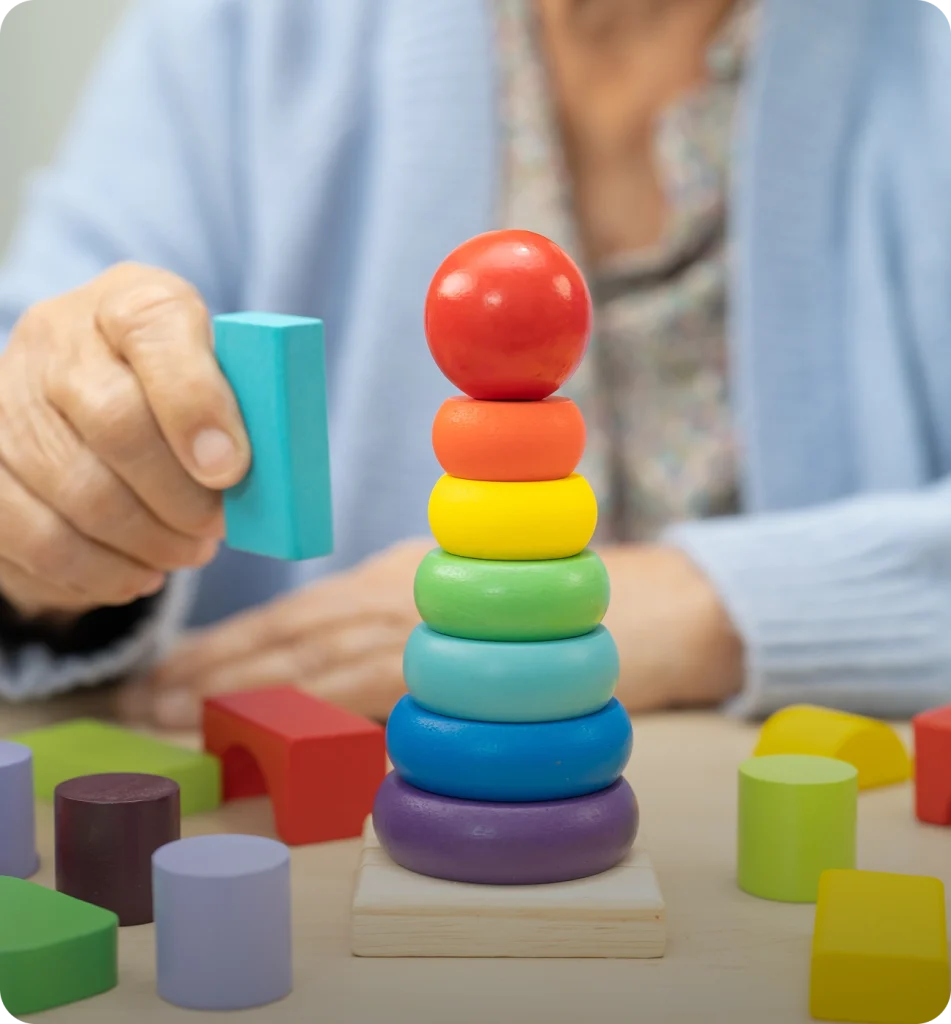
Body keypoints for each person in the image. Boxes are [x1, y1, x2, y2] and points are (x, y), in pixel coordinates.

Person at [0, 0, 948, 730]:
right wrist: (50, 522)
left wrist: (717, 607)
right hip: (322, 857)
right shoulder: (244, 30)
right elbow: (43, 375)